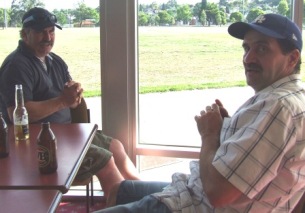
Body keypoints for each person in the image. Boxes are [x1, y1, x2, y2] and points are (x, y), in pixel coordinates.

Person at [95, 13, 305, 213]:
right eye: (246, 48)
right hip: (190, 191)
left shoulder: (280, 107)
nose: (248, 58)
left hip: (192, 205)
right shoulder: (287, 98)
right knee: (120, 191)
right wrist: (229, 129)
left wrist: (210, 134)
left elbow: (218, 193)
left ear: (292, 58)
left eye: (262, 49)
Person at [0, 7, 140, 198]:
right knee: (104, 160)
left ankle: (143, 193)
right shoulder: (17, 65)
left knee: (115, 146)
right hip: (39, 144)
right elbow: (18, 114)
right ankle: (126, 206)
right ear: (25, 34)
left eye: (51, 31)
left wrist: (74, 97)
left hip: (66, 134)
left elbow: (70, 101)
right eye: (41, 31)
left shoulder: (54, 60)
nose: (47, 37)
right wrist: (63, 101)